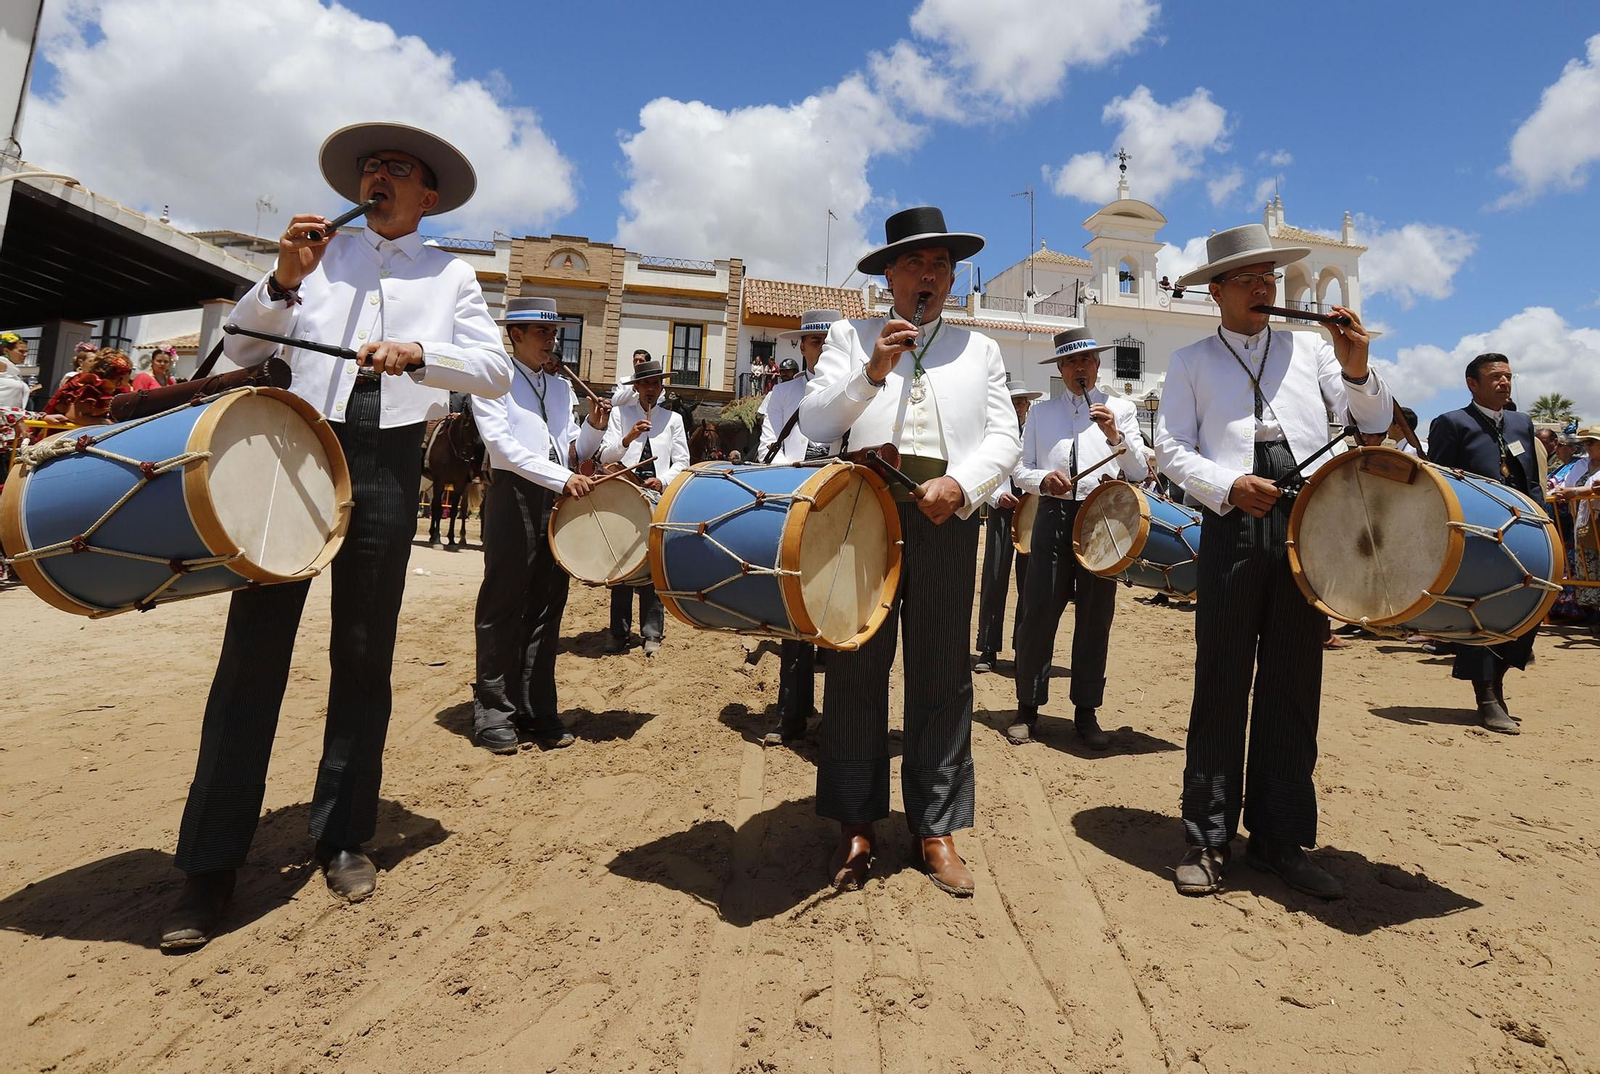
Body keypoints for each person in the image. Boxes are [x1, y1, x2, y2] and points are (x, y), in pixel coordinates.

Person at [158, 121, 512, 951]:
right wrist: (283, 282)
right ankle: (210, 862)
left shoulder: (450, 272)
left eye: (395, 169)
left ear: (426, 196)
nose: (376, 177)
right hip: (293, 450)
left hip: (387, 461)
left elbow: (492, 371)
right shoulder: (308, 258)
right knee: (253, 651)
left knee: (364, 651)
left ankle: (345, 832)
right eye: (368, 168)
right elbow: (234, 351)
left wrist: (419, 352)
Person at [1157, 223, 1392, 900]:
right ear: (1218, 293)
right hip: (1232, 523)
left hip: (1306, 524)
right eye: (1249, 280)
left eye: (1271, 278)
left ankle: (1281, 839)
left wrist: (1355, 365)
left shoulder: (1312, 351)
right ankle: (1206, 837)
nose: (1265, 289)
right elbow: (1170, 448)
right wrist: (1227, 484)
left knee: (1295, 680)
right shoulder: (1191, 362)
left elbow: (1370, 423)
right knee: (1223, 680)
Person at [798, 206, 1020, 897]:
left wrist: (962, 484)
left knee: (943, 671)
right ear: (888, 274)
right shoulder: (848, 335)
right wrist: (872, 370)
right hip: (864, 516)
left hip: (948, 517)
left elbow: (1004, 436)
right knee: (857, 666)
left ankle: (936, 826)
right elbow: (816, 420)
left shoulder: (980, 349)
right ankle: (857, 822)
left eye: (942, 266)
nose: (931, 276)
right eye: (917, 264)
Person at [471, 296, 607, 754]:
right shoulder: (493, 380)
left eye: (554, 333)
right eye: (543, 333)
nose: (553, 340)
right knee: (504, 603)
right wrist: (565, 477)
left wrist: (594, 428)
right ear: (515, 336)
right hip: (512, 495)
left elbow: (570, 447)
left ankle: (536, 708)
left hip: (554, 493)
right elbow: (504, 449)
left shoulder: (560, 388)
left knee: (549, 604)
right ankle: (493, 710)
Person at [1011, 330, 1150, 749]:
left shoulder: (1122, 409)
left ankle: (1086, 711)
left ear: (1098, 366)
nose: (1080, 369)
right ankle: (1027, 707)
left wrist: (1115, 438)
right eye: (1072, 363)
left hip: (1103, 515)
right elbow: (1021, 469)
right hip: (1053, 513)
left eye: (1087, 360)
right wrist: (1041, 481)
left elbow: (1140, 470)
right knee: (1038, 611)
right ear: (1060, 368)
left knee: (1095, 615)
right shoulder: (1040, 413)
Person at [1426, 354, 1546, 733]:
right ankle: (1488, 697)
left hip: (1524, 533)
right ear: (1472, 383)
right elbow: (1440, 482)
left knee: (1529, 608)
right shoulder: (1452, 423)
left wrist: (1542, 520)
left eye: (1509, 376)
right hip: (1477, 536)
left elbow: (1531, 481)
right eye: (1496, 377)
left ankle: (1500, 679)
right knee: (1481, 614)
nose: (1505, 382)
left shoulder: (1521, 423)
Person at [754, 308, 845, 746]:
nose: (821, 348)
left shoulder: (858, 390)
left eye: (829, 340)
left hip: (841, 504)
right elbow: (766, 445)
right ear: (802, 347)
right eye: (813, 341)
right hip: (792, 499)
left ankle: (840, 718)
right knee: (792, 612)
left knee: (841, 609)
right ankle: (792, 714)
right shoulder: (781, 394)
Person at [599, 358, 688, 657]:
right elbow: (605, 456)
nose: (652, 389)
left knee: (651, 567)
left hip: (656, 498)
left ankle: (652, 633)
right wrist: (629, 436)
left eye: (656, 384)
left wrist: (662, 481)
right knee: (622, 563)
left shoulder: (673, 420)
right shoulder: (620, 415)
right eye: (646, 383)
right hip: (625, 493)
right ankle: (618, 633)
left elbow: (682, 463)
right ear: (636, 387)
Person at [973, 379, 1041, 673]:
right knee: (995, 576)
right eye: (1014, 402)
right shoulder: (994, 434)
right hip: (1002, 509)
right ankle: (988, 648)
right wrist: (998, 495)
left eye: (1023, 402)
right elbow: (985, 469)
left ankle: (1022, 647)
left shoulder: (1036, 433)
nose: (1019, 407)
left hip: (1032, 510)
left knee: (1030, 583)